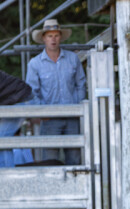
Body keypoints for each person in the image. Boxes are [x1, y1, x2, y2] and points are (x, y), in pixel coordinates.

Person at [26, 19, 86, 165]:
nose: (53, 39)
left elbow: (81, 84)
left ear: (60, 37)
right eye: (49, 36)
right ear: (44, 38)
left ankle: (73, 182)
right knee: (50, 161)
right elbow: (31, 92)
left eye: (56, 35)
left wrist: (77, 106)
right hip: (49, 119)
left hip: (72, 117)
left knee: (75, 159)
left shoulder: (72, 59)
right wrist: (42, 112)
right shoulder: (35, 63)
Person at [0, 70, 35, 167]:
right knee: (3, 138)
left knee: (2, 138)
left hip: (21, 99)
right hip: (17, 99)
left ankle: (6, 173)